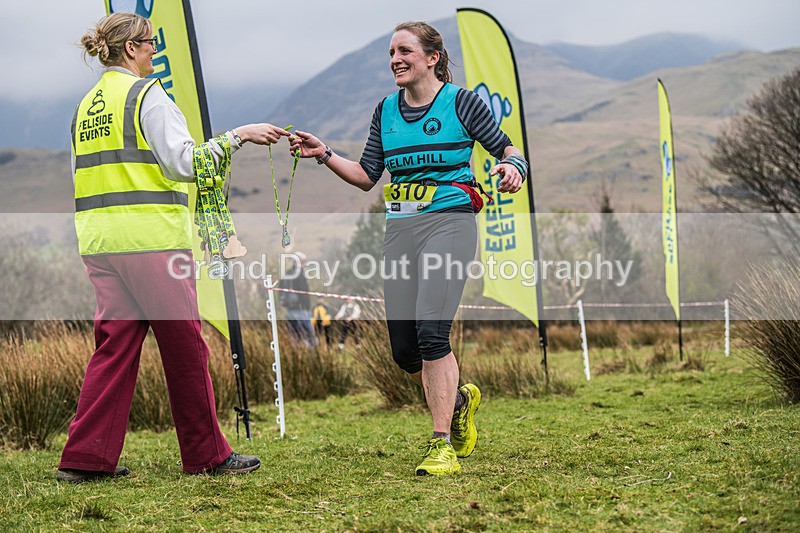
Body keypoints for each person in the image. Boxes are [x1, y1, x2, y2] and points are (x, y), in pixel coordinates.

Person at [58, 13, 291, 483]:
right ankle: (207, 455)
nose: (152, 51)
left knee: (114, 349)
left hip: (101, 242)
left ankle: (85, 459)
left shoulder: (87, 106)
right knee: (186, 347)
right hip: (151, 242)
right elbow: (185, 162)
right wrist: (238, 135)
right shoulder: (147, 95)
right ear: (131, 49)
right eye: (147, 44)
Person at [290, 21, 527, 476]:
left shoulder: (460, 103)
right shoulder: (386, 111)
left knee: (432, 334)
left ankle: (441, 444)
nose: (395, 59)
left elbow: (507, 149)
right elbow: (366, 176)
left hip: (450, 225)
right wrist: (324, 153)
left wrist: (513, 168)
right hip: (400, 231)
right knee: (404, 352)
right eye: (391, 53)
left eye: (404, 51)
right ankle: (457, 401)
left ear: (432, 57)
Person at [278, 252, 316, 347]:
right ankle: (310, 358)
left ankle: (297, 355)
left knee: (294, 336)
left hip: (289, 311)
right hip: (301, 310)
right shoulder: (300, 274)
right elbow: (304, 293)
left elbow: (280, 291)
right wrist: (308, 308)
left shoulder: (287, 274)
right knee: (308, 337)